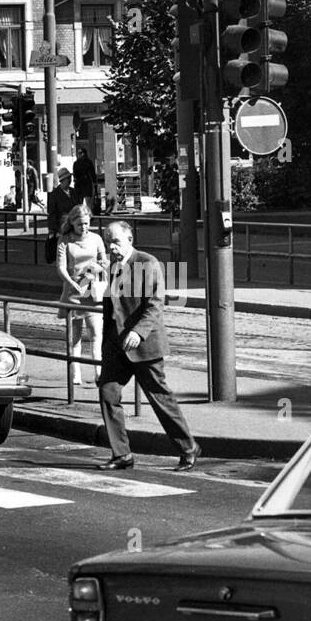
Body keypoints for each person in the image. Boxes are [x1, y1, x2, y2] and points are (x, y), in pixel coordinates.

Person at [95, 220, 201, 472]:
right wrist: (107, 341)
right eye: (108, 241)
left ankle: (188, 448)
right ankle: (122, 454)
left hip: (144, 345)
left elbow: (155, 303)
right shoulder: (112, 265)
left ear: (130, 239)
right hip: (116, 346)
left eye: (116, 242)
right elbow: (111, 307)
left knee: (160, 399)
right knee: (108, 394)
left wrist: (138, 333)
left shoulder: (147, 263)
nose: (112, 247)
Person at [54, 203, 107, 387]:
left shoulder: (96, 238)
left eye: (86, 223)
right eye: (79, 225)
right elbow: (60, 267)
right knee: (73, 338)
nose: (83, 228)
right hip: (73, 292)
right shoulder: (64, 240)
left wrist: (98, 269)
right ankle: (75, 374)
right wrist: (72, 283)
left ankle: (99, 372)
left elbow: (103, 260)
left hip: (92, 292)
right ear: (72, 224)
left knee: (96, 335)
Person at [45, 167, 74, 262]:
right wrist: (52, 229)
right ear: (62, 180)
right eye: (68, 179)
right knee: (65, 249)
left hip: (74, 223)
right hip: (62, 226)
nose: (70, 180)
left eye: (70, 178)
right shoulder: (55, 194)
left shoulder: (74, 192)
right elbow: (52, 213)